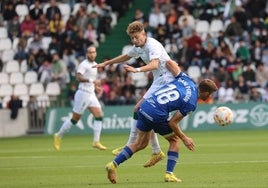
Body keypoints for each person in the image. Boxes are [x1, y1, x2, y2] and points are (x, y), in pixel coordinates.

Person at [105, 69, 218, 184]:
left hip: (145, 107)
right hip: (156, 114)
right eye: (210, 94)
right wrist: (185, 138)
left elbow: (171, 65)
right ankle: (169, 174)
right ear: (205, 92)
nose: (210, 96)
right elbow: (172, 123)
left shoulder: (187, 79)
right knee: (175, 140)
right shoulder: (191, 103)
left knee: (141, 144)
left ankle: (113, 164)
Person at [93, 21, 179, 167]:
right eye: (132, 38)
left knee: (143, 111)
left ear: (144, 34)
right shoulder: (138, 47)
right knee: (139, 110)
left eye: (137, 37)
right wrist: (106, 64)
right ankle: (156, 151)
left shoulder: (153, 45)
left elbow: (154, 65)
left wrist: (136, 70)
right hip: (158, 81)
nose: (134, 40)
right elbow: (126, 56)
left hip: (168, 81)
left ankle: (134, 145)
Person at [53, 46, 107, 151]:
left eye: (93, 52)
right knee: (75, 119)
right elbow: (78, 77)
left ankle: (96, 141)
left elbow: (93, 80)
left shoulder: (95, 64)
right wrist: (92, 81)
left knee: (99, 116)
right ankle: (58, 135)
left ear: (96, 53)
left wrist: (97, 87)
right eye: (90, 52)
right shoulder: (83, 65)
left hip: (91, 94)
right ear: (87, 53)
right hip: (82, 94)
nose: (92, 54)